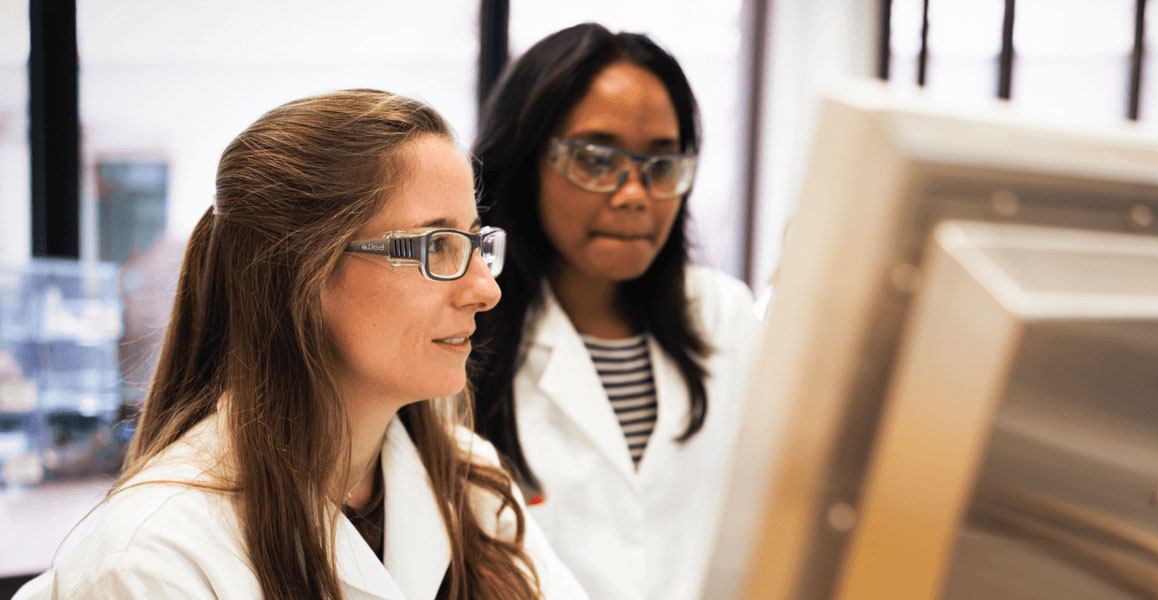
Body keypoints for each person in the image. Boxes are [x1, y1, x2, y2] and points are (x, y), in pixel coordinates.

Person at [16, 90, 587, 600]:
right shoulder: (153, 559)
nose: (485, 290)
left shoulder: (470, 480)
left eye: (474, 242)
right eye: (437, 246)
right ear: (303, 275)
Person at [471, 23, 761, 600]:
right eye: (596, 160)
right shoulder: (466, 332)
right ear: (527, 161)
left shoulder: (724, 317)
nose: (634, 194)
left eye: (660, 165)